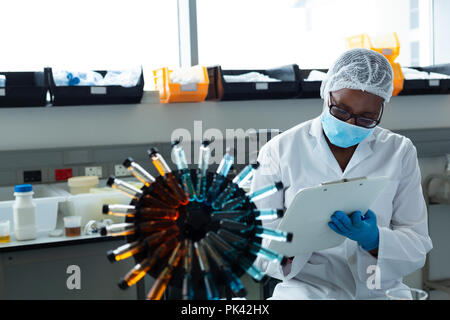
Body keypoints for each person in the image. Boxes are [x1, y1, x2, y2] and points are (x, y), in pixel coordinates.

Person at [251, 48, 433, 300]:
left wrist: (374, 240)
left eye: (366, 118)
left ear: (382, 109)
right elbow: (255, 244)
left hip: (380, 291)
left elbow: (417, 244)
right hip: (306, 292)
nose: (350, 123)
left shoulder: (399, 151)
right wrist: (293, 245)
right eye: (341, 111)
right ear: (327, 94)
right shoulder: (279, 151)